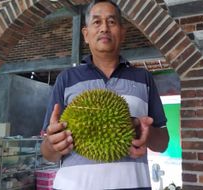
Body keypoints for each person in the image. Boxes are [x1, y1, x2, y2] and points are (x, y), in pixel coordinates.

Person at [40, 0, 169, 189]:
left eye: (112, 22)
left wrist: (144, 133)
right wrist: (53, 145)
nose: (104, 28)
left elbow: (163, 143)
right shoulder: (65, 79)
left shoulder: (144, 78)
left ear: (122, 33)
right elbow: (47, 152)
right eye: (97, 22)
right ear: (86, 34)